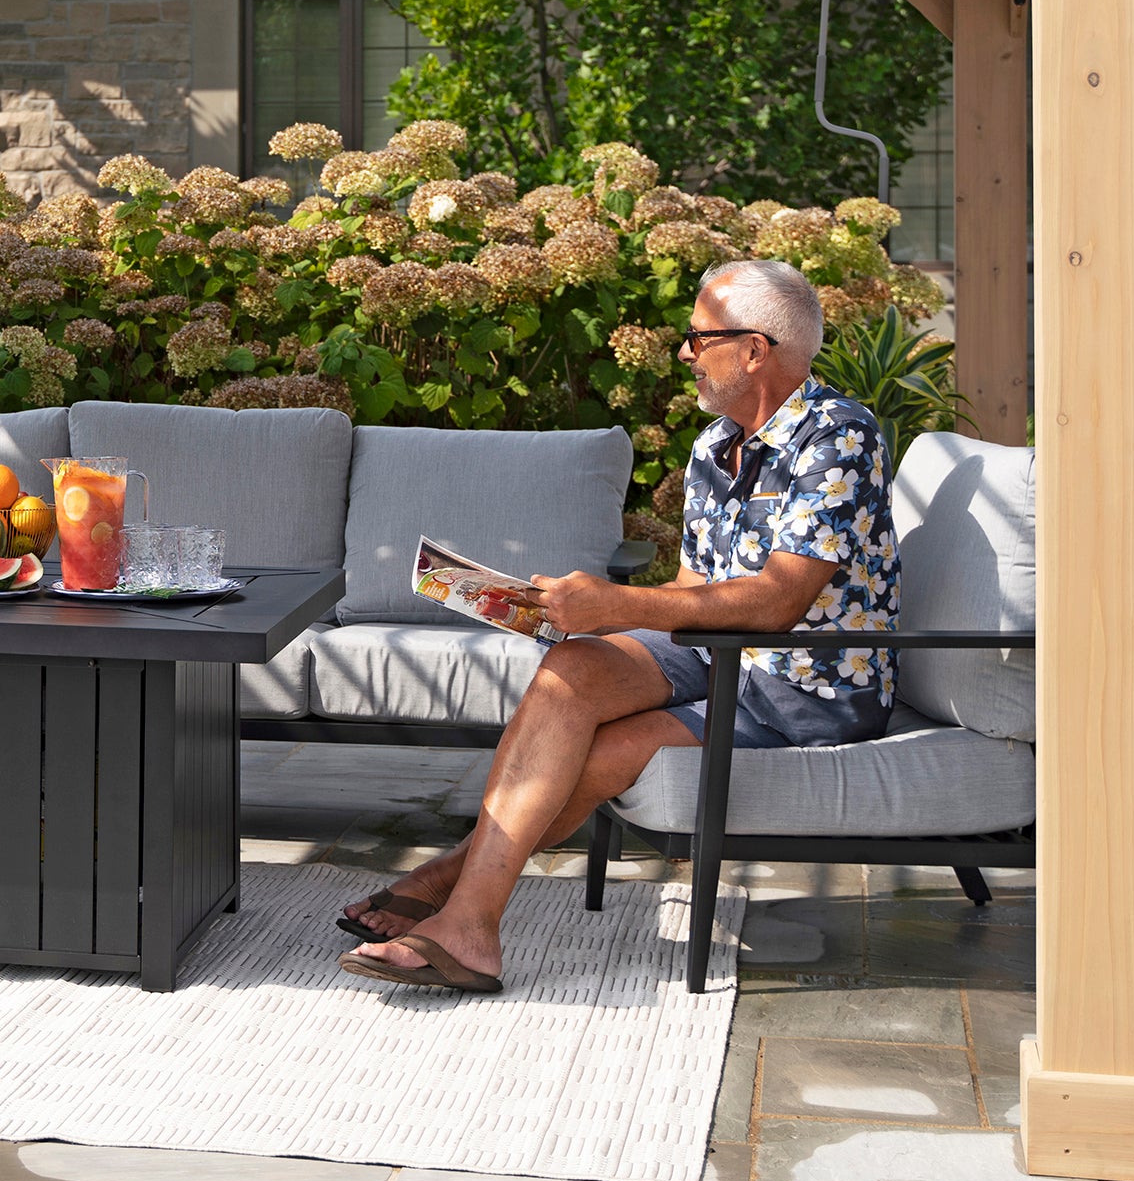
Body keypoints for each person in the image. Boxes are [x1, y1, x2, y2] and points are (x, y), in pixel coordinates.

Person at [338, 257, 895, 993]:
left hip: (805, 688)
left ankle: (459, 903)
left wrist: (615, 604)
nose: (684, 353)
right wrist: (564, 618)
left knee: (612, 745)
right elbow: (698, 594)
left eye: (698, 338)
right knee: (574, 670)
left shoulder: (839, 437)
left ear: (755, 350)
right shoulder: (714, 447)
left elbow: (776, 603)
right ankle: (464, 915)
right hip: (724, 659)